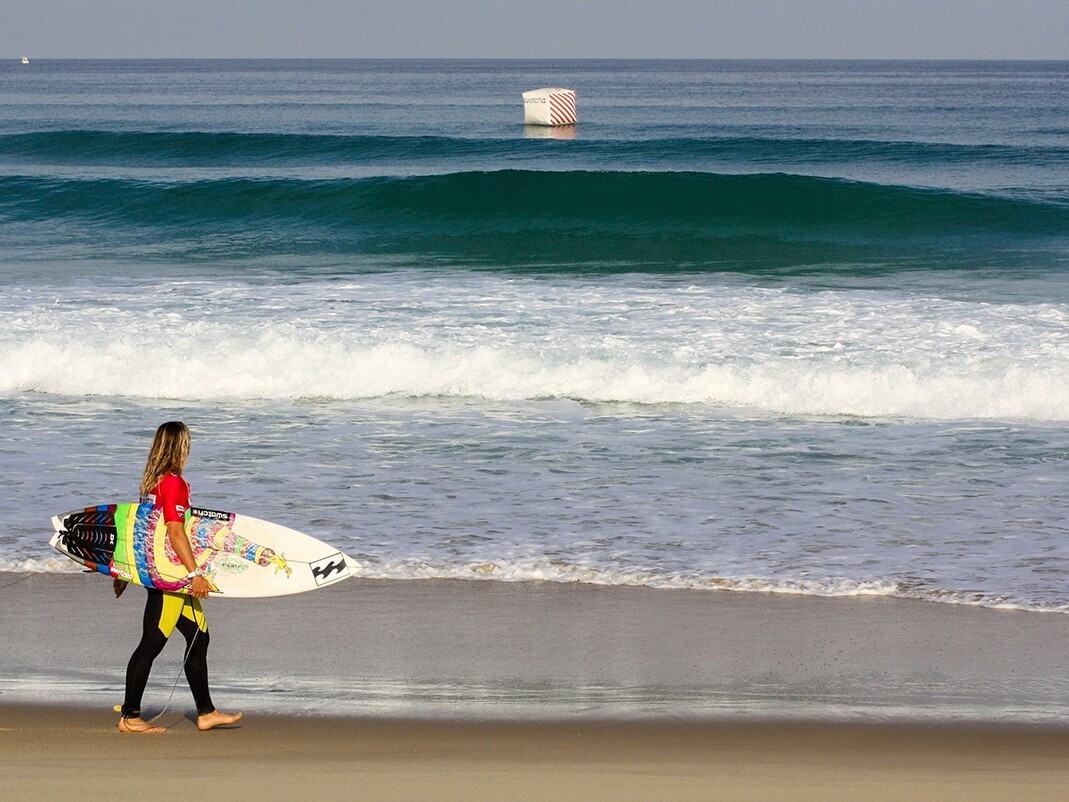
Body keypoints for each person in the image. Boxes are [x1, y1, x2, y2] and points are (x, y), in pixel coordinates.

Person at [115, 421, 243, 734]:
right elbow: (174, 531)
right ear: (180, 446)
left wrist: (123, 569)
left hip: (165, 574)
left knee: (199, 637)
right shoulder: (173, 483)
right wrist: (196, 573)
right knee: (151, 643)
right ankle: (130, 717)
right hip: (170, 578)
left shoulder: (151, 483)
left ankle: (206, 712)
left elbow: (139, 530)